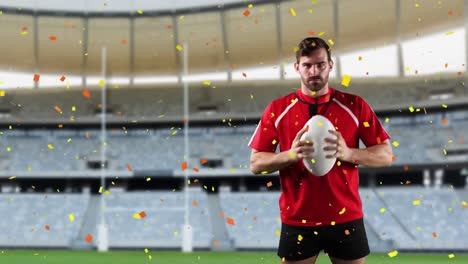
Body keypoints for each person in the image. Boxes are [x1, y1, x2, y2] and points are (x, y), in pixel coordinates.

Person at [248, 37, 393, 264]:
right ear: (297, 67)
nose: (314, 71)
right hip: (298, 220)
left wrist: (349, 153)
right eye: (307, 65)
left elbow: (386, 155)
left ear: (330, 65)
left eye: (320, 64)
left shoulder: (355, 105)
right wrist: (290, 155)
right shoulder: (278, 109)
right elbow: (256, 163)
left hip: (345, 216)